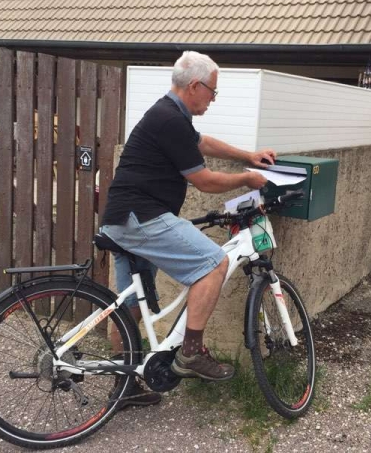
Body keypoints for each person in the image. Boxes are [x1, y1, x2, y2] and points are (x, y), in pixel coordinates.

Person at [100, 51, 275, 407]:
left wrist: (247, 155)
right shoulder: (168, 118)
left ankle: (125, 387)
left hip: (124, 218)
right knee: (213, 264)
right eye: (212, 92)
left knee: (130, 306)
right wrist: (247, 178)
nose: (213, 98)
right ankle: (191, 353)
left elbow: (201, 143)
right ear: (195, 86)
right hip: (141, 217)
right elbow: (205, 181)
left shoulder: (169, 114)